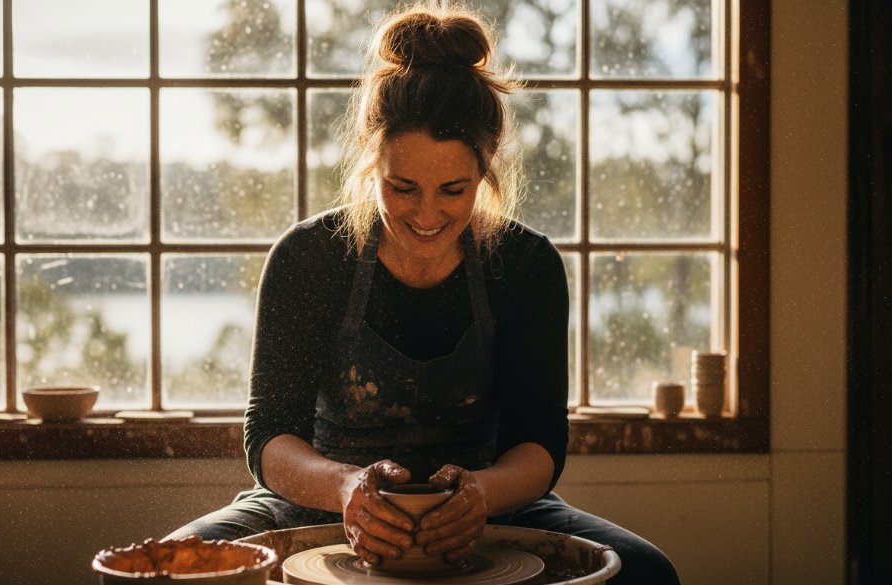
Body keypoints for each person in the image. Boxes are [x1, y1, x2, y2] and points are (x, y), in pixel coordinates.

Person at [166, 3, 680, 583]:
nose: (428, 214)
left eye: (454, 189)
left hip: (488, 503)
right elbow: (268, 436)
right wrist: (344, 487)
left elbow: (539, 444)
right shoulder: (309, 257)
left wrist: (481, 494)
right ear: (371, 160)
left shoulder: (525, 265)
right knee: (172, 570)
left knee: (646, 572)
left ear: (487, 170)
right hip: (321, 500)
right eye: (402, 188)